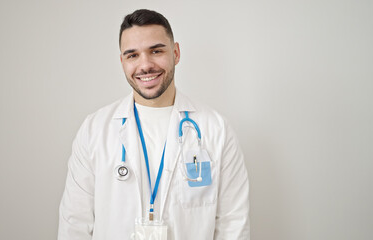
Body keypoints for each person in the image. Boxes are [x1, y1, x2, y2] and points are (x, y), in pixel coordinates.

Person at [58, 9, 250, 240]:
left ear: (176, 53)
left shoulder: (216, 130)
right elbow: (74, 224)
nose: (145, 65)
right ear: (122, 62)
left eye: (156, 51)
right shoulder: (94, 130)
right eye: (132, 55)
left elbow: (233, 223)